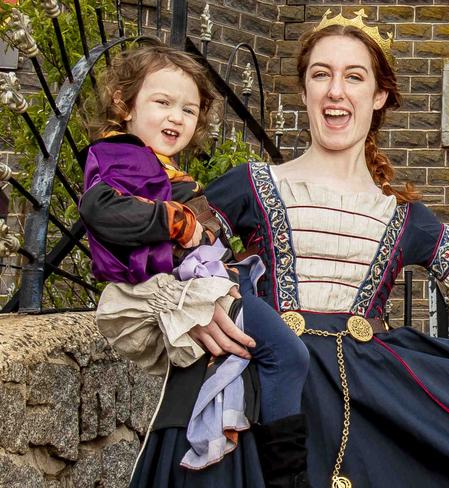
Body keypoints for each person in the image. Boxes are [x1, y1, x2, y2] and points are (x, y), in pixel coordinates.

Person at [132, 12, 449, 488]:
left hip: (369, 406)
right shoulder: (248, 185)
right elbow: (157, 254)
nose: (336, 91)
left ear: (379, 95)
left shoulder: (404, 218)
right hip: (263, 396)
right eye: (321, 74)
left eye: (354, 76)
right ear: (305, 89)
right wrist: (197, 305)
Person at [78, 42, 311, 487]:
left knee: (250, 367)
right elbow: (100, 208)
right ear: (123, 104)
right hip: (187, 289)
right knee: (287, 355)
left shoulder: (154, 164)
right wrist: (172, 220)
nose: (175, 117)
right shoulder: (120, 155)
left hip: (204, 283)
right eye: (161, 102)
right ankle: (289, 477)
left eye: (188, 109)